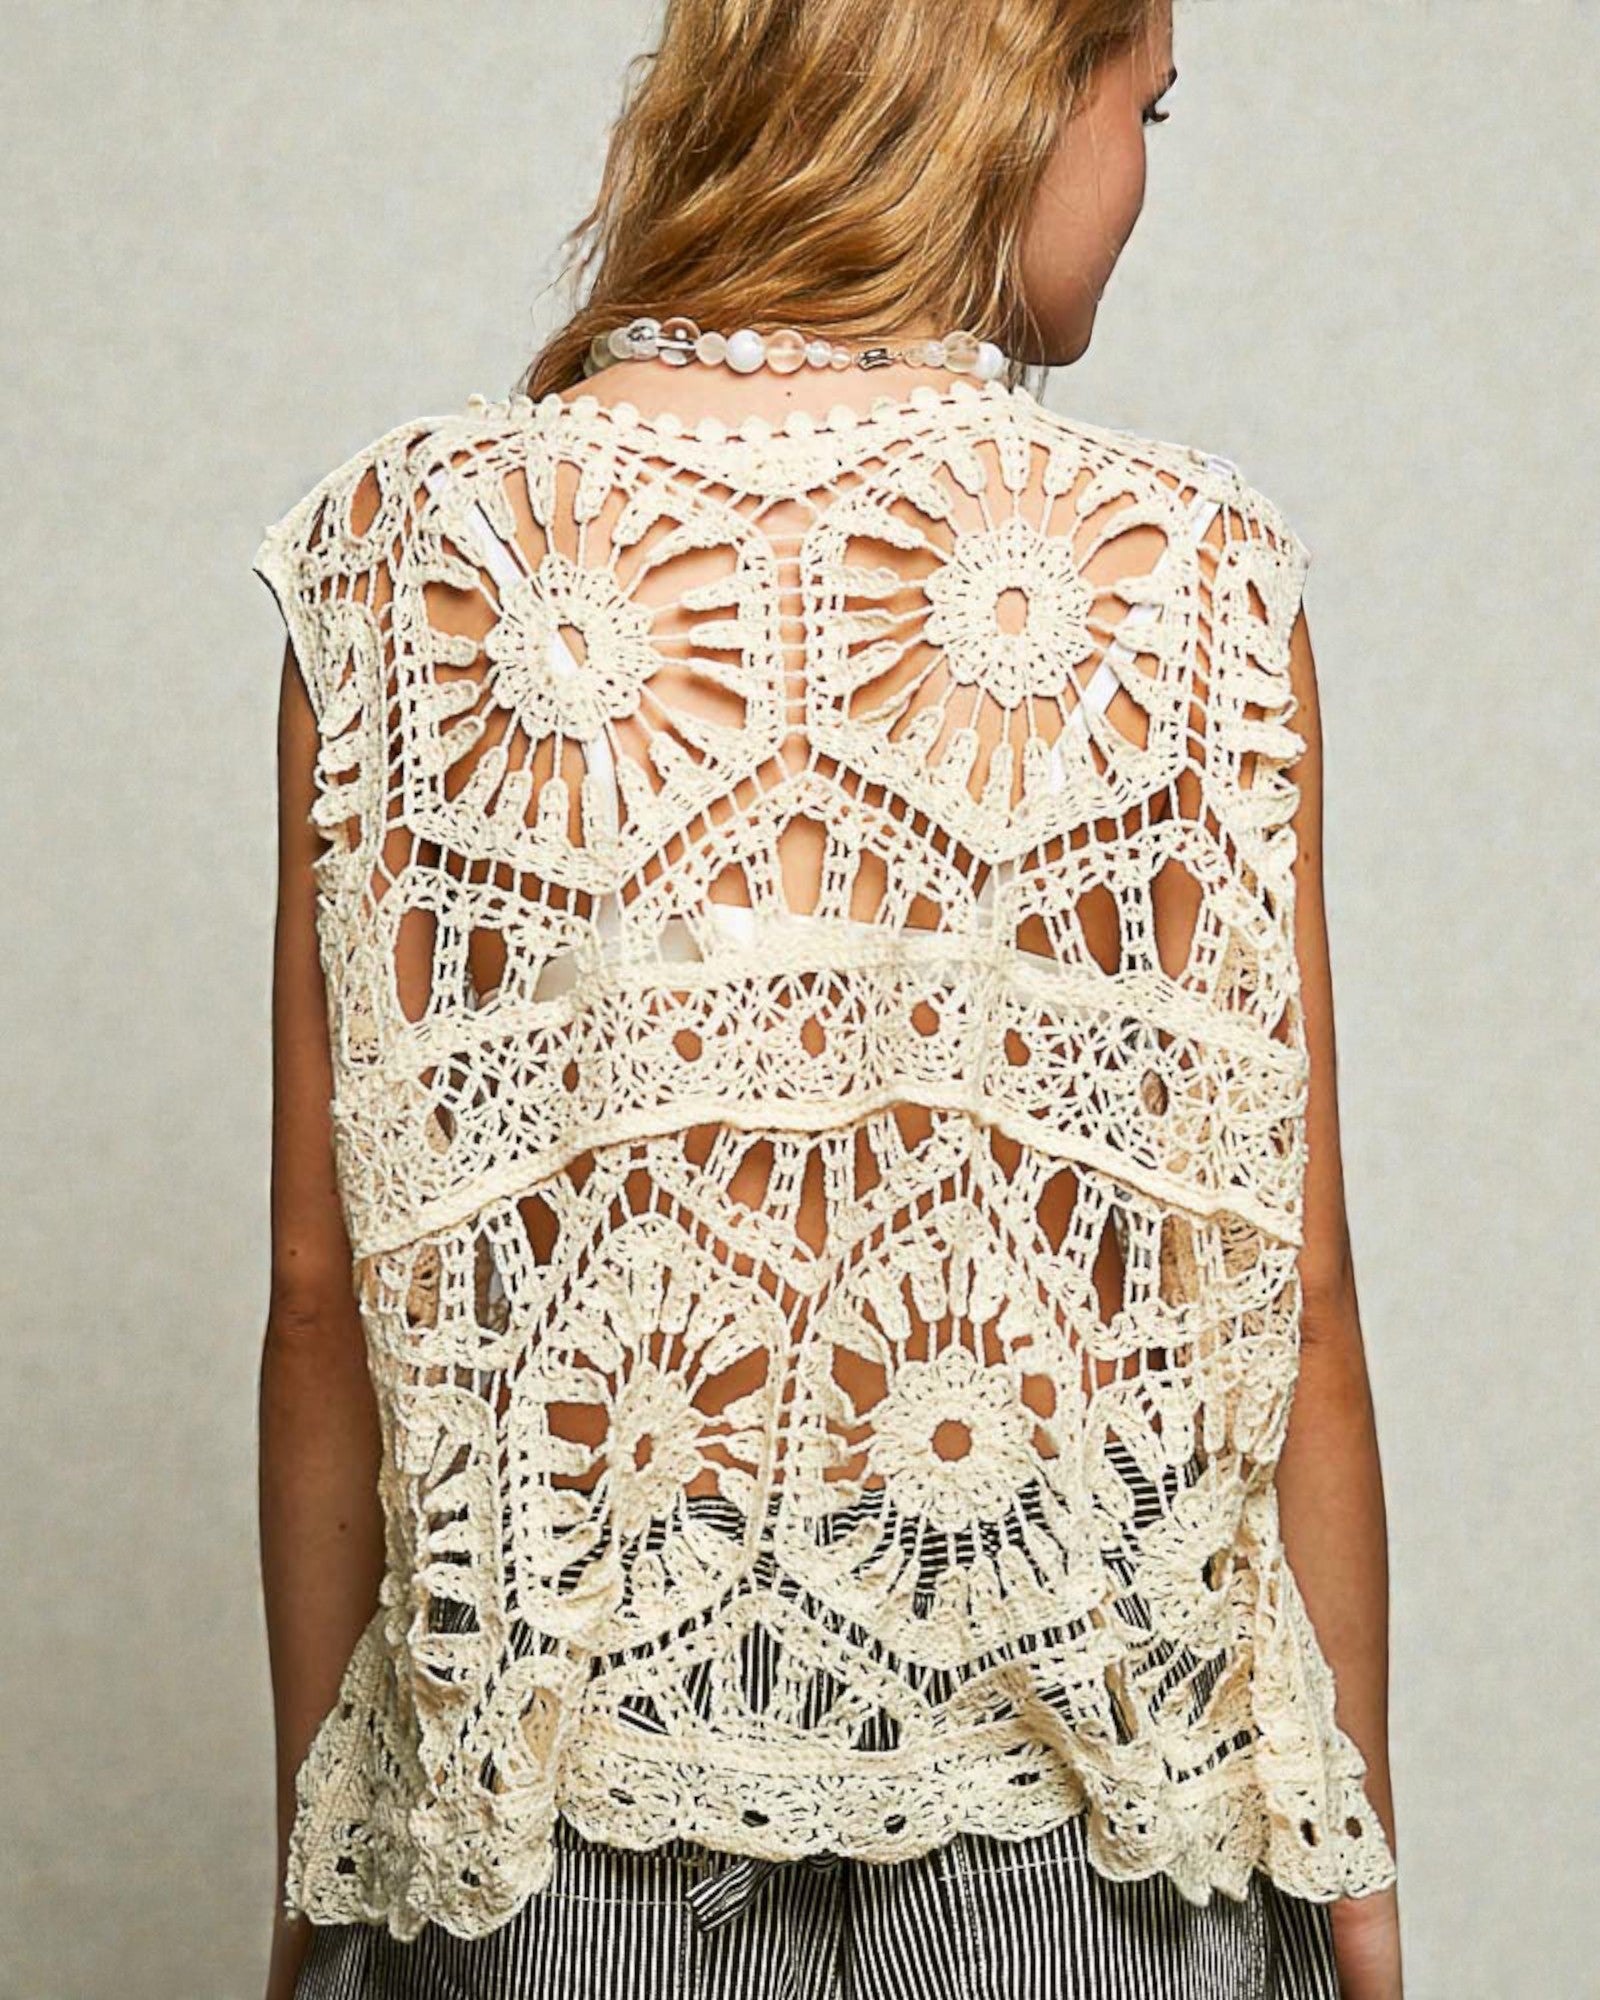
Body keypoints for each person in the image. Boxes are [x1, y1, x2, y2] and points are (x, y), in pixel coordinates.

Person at [253, 2, 1404, 1996]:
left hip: (552, 1793)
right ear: (1015, 98)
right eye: (1143, 113)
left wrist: (329, 1867)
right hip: (1090, 1786)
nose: (1135, 182)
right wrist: (1355, 1871)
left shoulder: (414, 558)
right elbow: (1284, 1301)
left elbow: (318, 1296)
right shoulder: (1190, 574)